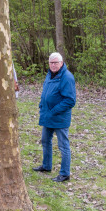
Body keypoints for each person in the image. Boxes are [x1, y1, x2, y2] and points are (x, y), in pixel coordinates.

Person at [33, 52, 76, 182]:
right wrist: (42, 104)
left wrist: (54, 110)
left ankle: (65, 173)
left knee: (63, 146)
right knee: (45, 141)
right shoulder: (50, 75)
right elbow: (46, 92)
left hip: (60, 117)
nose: (53, 65)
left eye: (56, 62)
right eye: (51, 62)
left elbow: (70, 100)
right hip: (48, 116)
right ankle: (46, 166)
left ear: (61, 63)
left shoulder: (67, 77)